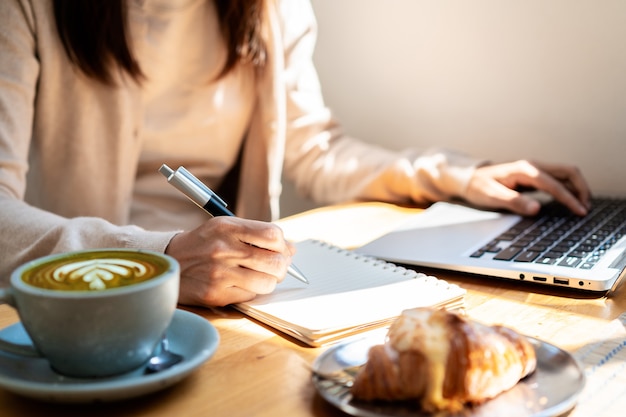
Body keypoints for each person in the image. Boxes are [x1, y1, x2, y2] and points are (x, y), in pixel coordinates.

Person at [0, 0, 590, 307]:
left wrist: (455, 174)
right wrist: (164, 261)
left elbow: (315, 149)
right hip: (86, 297)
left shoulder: (269, 8)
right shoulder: (28, 9)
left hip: (244, 293)